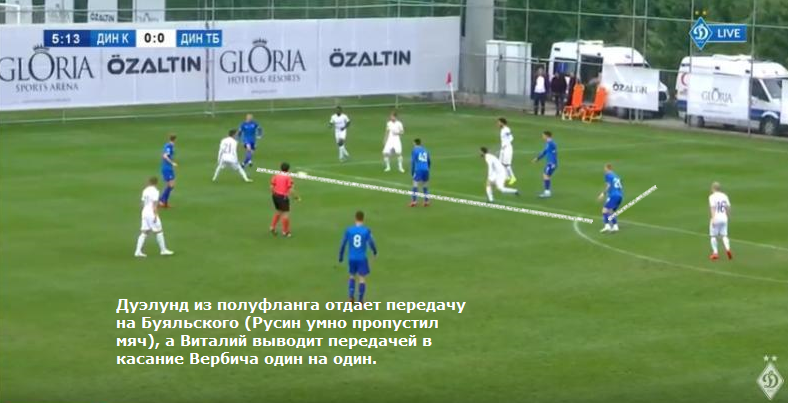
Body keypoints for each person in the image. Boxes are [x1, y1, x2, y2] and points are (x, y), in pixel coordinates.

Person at [338, 210, 378, 303]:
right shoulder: (366, 231)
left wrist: (341, 256)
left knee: (352, 276)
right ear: (363, 219)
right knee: (362, 278)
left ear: (355, 218)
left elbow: (343, 243)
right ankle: (360, 300)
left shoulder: (349, 230)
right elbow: (371, 242)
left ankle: (351, 296)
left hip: (351, 258)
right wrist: (375, 251)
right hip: (362, 258)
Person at [135, 177, 174, 257]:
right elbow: (154, 204)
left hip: (144, 212)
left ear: (149, 182)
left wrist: (143, 212)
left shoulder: (145, 190)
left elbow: (142, 203)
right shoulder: (155, 191)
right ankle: (163, 250)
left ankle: (137, 251)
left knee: (144, 232)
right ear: (156, 183)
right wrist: (155, 215)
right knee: (159, 231)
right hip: (151, 213)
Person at [270, 162, 300, 237]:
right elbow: (291, 189)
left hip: (275, 196)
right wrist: (296, 197)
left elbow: (271, 186)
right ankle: (285, 231)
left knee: (279, 211)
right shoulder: (288, 177)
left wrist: (274, 194)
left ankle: (272, 227)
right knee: (285, 214)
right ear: (288, 169)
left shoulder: (276, 175)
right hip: (283, 197)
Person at [708, 182, 733, 260]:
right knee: (724, 235)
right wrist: (727, 216)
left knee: (713, 236)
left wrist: (713, 219)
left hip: (716, 217)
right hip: (724, 217)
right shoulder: (724, 196)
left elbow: (712, 208)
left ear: (713, 188)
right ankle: (728, 249)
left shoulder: (712, 197)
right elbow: (728, 207)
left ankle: (715, 253)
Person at [598, 164, 624, 233]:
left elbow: (608, 185)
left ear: (608, 168)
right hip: (620, 196)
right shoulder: (616, 176)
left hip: (614, 196)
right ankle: (614, 226)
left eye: (605, 168)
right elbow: (620, 186)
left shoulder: (608, 175)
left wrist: (603, 194)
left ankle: (608, 226)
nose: (604, 170)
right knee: (610, 211)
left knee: (605, 210)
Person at [531, 131, 557, 198]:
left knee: (546, 175)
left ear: (546, 136)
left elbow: (551, 150)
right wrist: (537, 158)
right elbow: (544, 152)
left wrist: (553, 163)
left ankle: (547, 192)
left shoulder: (551, 143)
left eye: (543, 135)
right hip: (550, 163)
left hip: (551, 163)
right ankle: (547, 191)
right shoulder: (548, 143)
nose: (542, 137)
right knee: (546, 175)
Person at [410, 138, 431, 207]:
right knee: (425, 185)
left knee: (415, 185)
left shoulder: (414, 150)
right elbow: (429, 161)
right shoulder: (425, 150)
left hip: (418, 169)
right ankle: (426, 201)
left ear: (414, 143)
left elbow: (413, 162)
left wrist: (412, 172)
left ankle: (414, 201)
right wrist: (427, 168)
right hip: (426, 170)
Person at [159, 134, 177, 208]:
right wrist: (172, 163)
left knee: (170, 185)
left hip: (168, 168)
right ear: (175, 140)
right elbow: (165, 156)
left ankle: (164, 202)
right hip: (167, 168)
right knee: (171, 185)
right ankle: (162, 200)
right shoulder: (169, 146)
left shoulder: (169, 146)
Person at [497, 117, 516, 185]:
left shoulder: (506, 129)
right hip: (503, 149)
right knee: (501, 163)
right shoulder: (502, 130)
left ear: (502, 123)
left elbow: (511, 138)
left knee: (507, 164)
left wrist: (505, 145)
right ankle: (506, 177)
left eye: (499, 122)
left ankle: (513, 177)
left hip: (507, 148)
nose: (498, 124)